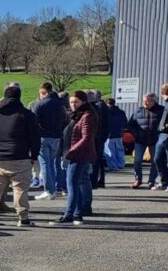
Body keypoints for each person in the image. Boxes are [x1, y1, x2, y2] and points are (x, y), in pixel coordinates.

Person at [0, 84, 40, 227]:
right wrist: (34, 156)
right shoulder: (27, 115)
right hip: (19, 156)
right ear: (19, 96)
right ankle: (23, 217)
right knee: (20, 189)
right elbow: (35, 137)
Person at [54, 91, 99, 225]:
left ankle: (69, 215)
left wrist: (71, 151)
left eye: (76, 102)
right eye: (72, 102)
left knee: (72, 184)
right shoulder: (77, 115)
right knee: (78, 183)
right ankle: (77, 214)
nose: (73, 104)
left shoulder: (87, 115)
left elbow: (86, 137)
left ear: (83, 102)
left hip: (79, 155)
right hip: (75, 153)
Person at [32, 82, 68, 200]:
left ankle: (49, 190)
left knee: (45, 164)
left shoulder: (40, 105)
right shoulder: (61, 104)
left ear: (43, 92)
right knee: (52, 163)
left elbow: (34, 122)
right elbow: (65, 120)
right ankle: (55, 187)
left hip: (43, 136)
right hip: (57, 137)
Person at [128, 93, 164, 189]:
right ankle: (138, 179)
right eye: (144, 101)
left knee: (155, 161)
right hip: (140, 140)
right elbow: (130, 124)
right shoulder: (138, 111)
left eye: (147, 101)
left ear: (154, 101)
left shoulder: (161, 110)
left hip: (155, 140)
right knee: (137, 160)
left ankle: (151, 181)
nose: (145, 103)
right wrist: (136, 134)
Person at [102, 98, 127, 171]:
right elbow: (125, 122)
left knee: (110, 151)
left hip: (109, 134)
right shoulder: (121, 112)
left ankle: (113, 166)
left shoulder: (107, 112)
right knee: (120, 150)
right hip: (119, 133)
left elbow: (106, 123)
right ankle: (121, 164)